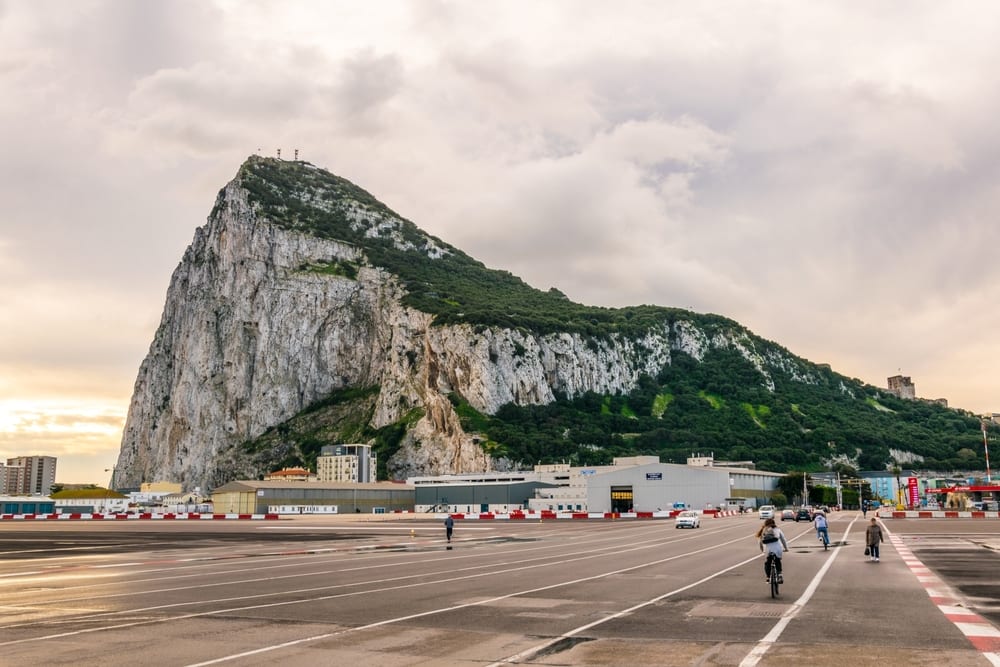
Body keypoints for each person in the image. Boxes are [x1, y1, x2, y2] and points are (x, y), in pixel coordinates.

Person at [755, 517, 788, 582]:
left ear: (765, 524)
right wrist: (786, 548)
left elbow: (760, 543)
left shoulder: (763, 530)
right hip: (777, 549)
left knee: (767, 563)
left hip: (767, 550)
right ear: (774, 523)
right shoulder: (777, 529)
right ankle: (780, 575)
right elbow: (783, 540)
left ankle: (768, 577)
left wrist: (762, 551)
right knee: (777, 560)